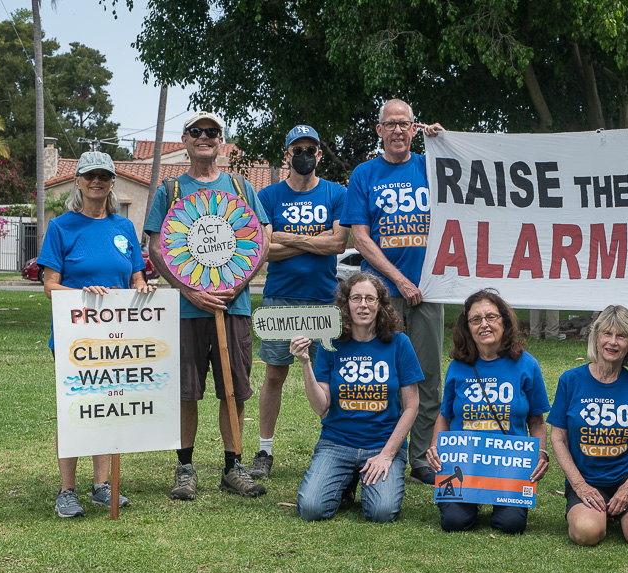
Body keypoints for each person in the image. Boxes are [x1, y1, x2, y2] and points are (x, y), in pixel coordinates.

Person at [144, 111, 270, 500]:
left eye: (212, 132)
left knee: (234, 389)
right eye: (197, 131)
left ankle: (234, 467)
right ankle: (185, 468)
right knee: (187, 391)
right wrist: (188, 290)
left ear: (221, 141)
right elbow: (155, 247)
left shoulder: (240, 187)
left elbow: (262, 240)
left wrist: (238, 284)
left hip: (234, 306)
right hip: (188, 310)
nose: (204, 137)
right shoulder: (171, 191)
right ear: (184, 139)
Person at [39, 151, 154, 517]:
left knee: (109, 406)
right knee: (75, 409)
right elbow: (50, 286)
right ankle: (67, 490)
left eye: (104, 175)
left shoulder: (124, 229)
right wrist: (84, 295)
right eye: (90, 175)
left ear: (111, 181)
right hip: (75, 336)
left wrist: (144, 288)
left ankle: (102, 486)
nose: (97, 182)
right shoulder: (61, 227)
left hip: (118, 337)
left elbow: (137, 277)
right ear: (78, 180)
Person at [341, 99, 444, 486]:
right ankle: (377, 450)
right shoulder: (365, 174)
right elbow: (361, 238)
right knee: (376, 375)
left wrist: (443, 140)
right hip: (381, 292)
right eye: (391, 124)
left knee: (427, 376)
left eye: (406, 124)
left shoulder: (430, 167)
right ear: (379, 130)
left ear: (414, 129)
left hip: (431, 289)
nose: (398, 130)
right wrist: (399, 280)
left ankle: (419, 458)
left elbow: (468, 176)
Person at [250, 124, 349, 480]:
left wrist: (286, 238)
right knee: (275, 374)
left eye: (311, 149)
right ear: (286, 154)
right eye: (298, 149)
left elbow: (338, 243)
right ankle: (264, 450)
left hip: (324, 301)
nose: (304, 155)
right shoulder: (268, 196)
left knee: (331, 378)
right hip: (280, 300)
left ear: (319, 154)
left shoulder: (336, 193)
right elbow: (263, 250)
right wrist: (312, 238)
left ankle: (336, 444)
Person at [294, 273, 422, 523]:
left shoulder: (400, 344)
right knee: (311, 509)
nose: (363, 305)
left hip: (382, 444)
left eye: (370, 299)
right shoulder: (330, 343)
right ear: (345, 304)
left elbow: (412, 407)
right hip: (336, 443)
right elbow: (322, 408)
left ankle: (361, 477)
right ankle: (348, 480)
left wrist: (387, 455)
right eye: (356, 298)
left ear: (381, 304)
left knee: (382, 513)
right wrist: (305, 363)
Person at [426, 290, 550, 534]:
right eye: (475, 319)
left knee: (511, 525)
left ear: (504, 321)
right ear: (467, 327)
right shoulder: (457, 367)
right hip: (463, 463)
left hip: (509, 465)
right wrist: (435, 449)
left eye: (491, 317)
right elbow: (445, 416)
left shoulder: (527, 364)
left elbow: (536, 421)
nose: (484, 324)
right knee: (454, 522)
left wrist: (541, 454)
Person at [549, 305, 628, 546]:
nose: (613, 342)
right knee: (587, 533)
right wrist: (579, 485)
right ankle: (597, 513)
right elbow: (558, 439)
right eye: (607, 334)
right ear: (596, 337)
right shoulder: (570, 381)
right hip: (587, 479)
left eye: (621, 336)